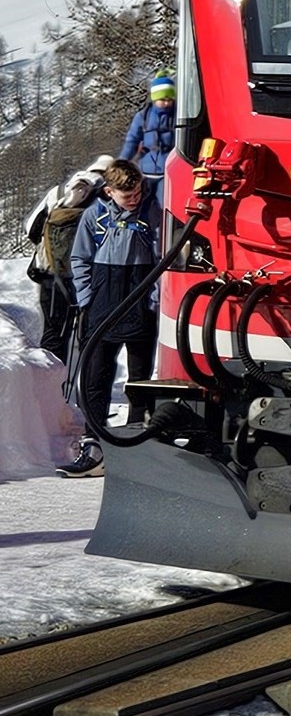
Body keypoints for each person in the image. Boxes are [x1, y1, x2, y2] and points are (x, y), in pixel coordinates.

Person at [59, 159, 161, 478]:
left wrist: (154, 299)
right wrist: (87, 297)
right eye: (127, 194)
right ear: (109, 191)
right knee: (96, 377)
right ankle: (94, 445)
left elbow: (163, 256)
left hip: (139, 300)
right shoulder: (95, 216)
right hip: (103, 302)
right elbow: (79, 258)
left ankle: (137, 444)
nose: (135, 199)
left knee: (140, 377)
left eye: (138, 192)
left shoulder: (151, 212)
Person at [22, 155, 112, 358]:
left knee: (54, 333)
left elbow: (31, 230)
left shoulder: (59, 191)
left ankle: (50, 383)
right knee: (90, 335)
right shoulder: (106, 198)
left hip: (51, 275)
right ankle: (85, 385)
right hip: (88, 277)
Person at [120, 74, 177, 192]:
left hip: (169, 170)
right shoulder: (143, 116)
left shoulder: (178, 116)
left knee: (162, 204)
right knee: (144, 204)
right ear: (155, 99)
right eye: (162, 100)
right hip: (146, 170)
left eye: (169, 100)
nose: (166, 103)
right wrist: (123, 161)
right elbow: (132, 140)